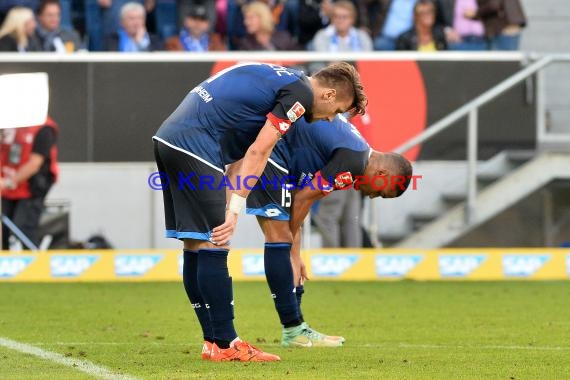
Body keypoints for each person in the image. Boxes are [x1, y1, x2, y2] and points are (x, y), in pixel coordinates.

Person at [153, 61, 367, 362]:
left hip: (170, 137)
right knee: (216, 240)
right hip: (195, 143)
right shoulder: (301, 95)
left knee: (195, 242)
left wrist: (230, 194)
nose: (332, 119)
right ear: (329, 95)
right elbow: (259, 151)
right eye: (337, 111)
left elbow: (246, 147)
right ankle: (227, 344)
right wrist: (235, 208)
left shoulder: (285, 79)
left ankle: (214, 343)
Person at [235, 115, 411, 346]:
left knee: (285, 241)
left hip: (280, 158)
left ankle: (295, 328)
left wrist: (295, 254)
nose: (371, 195)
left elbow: (302, 202)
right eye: (380, 192)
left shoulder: (356, 154)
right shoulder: (353, 162)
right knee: (279, 239)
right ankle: (293, 330)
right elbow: (302, 201)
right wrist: (293, 253)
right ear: (382, 175)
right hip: (272, 156)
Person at [0, 118, 59, 250]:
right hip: (7, 190)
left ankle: (34, 266)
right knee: (4, 231)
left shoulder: (44, 128)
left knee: (22, 229)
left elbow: (35, 163)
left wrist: (8, 182)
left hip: (30, 188)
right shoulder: (8, 123)